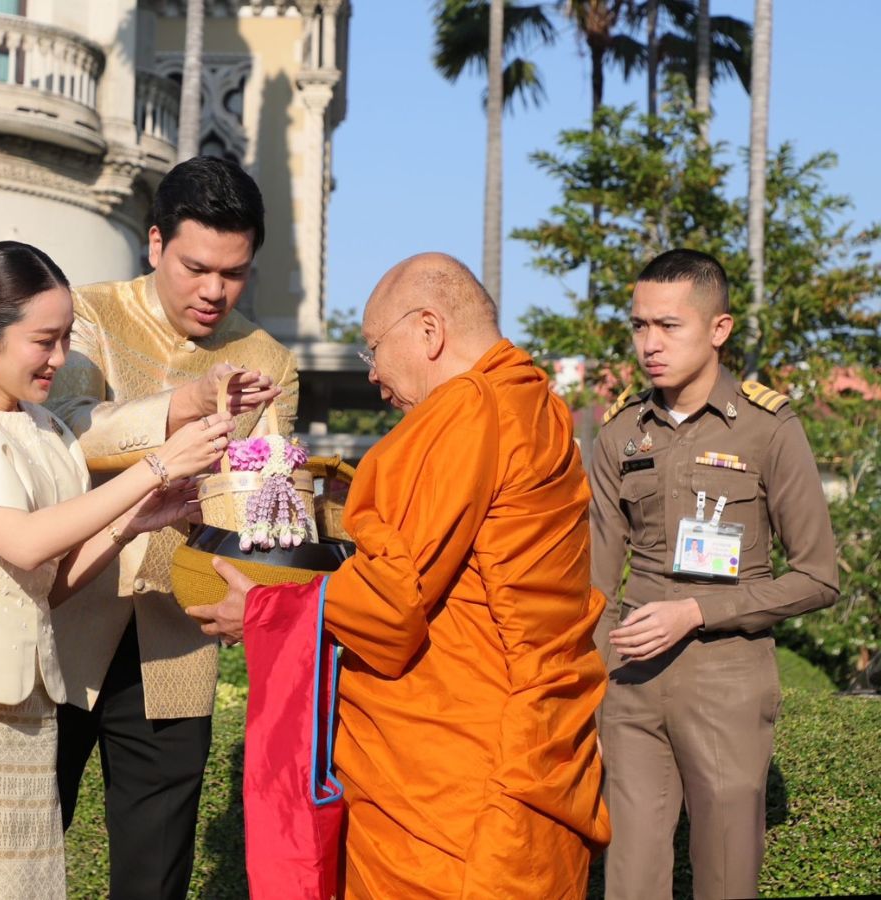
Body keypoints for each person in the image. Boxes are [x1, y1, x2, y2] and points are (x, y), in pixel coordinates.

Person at [190, 253, 611, 898]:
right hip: (537, 736)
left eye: (374, 349)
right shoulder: (537, 405)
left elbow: (391, 604)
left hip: (459, 776)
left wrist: (263, 607)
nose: (376, 375)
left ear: (429, 330)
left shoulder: (466, 409)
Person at [0, 241, 233, 898]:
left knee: (22, 884)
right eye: (45, 341)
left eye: (64, 340)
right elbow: (25, 543)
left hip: (28, 692)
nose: (60, 359)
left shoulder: (44, 430)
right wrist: (159, 465)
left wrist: (135, 519)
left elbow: (47, 582)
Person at [45, 156, 298, 898]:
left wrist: (261, 589)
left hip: (176, 641)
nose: (215, 291)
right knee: (23, 857)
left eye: (236, 272)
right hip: (63, 618)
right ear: (155, 243)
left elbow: (268, 509)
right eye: (196, 267)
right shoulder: (83, 313)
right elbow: (66, 430)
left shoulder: (267, 360)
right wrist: (181, 408)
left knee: (155, 879)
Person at [589, 249, 839, 900]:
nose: (650, 343)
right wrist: (591, 685)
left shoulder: (768, 428)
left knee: (727, 881)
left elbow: (818, 576)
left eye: (669, 326)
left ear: (719, 329)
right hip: (633, 688)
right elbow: (594, 579)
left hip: (727, 685)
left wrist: (697, 612)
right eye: (640, 325)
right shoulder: (619, 433)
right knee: (631, 882)